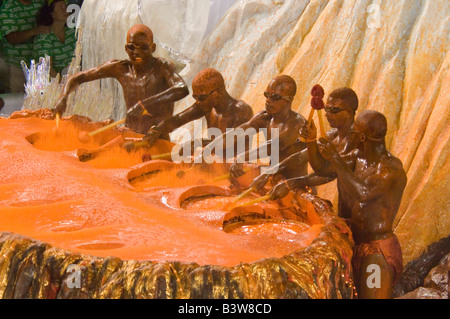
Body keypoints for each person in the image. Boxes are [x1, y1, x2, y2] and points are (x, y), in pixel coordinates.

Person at [317, 110, 407, 299]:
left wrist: (334, 157)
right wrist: (310, 142)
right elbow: (324, 169)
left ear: (363, 137)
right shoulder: (359, 157)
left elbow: (364, 194)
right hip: (357, 245)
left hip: (377, 251)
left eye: (354, 132)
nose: (350, 135)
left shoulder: (390, 168)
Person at [54, 24, 189, 136]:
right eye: (131, 47)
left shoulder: (162, 67)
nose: (136, 52)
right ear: (126, 48)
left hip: (156, 138)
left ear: (152, 48)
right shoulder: (121, 69)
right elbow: (79, 77)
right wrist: (63, 96)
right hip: (129, 137)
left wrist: (144, 105)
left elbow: (182, 89)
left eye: (143, 47)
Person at [269, 87, 360, 216]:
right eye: (326, 109)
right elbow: (316, 165)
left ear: (349, 113)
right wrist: (311, 140)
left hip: (363, 216)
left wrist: (292, 183)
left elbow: (329, 173)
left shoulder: (355, 140)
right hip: (346, 210)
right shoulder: (333, 135)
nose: (327, 114)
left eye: (334, 110)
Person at [217, 75, 308, 183]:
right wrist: (208, 149)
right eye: (267, 95)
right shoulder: (265, 117)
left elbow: (275, 145)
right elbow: (237, 133)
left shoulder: (298, 124)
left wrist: (242, 157)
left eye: (274, 97)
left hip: (297, 186)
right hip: (273, 181)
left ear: (289, 100)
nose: (268, 100)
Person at [138, 68, 253, 151]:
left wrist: (199, 143)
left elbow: (229, 144)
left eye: (201, 97)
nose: (197, 101)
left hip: (238, 171)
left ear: (217, 93)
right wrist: (156, 130)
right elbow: (178, 120)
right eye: (195, 97)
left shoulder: (242, 111)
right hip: (214, 163)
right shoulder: (206, 105)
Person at [0, 0, 49, 93]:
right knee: (18, 101)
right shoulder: (8, 7)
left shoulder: (39, 3)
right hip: (16, 65)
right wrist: (34, 31)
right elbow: (11, 38)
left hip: (38, 65)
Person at [34, 0, 77, 77]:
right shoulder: (45, 37)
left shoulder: (71, 32)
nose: (65, 10)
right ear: (52, 15)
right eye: (60, 8)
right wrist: (63, 84)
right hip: (54, 83)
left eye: (65, 7)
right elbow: (48, 69)